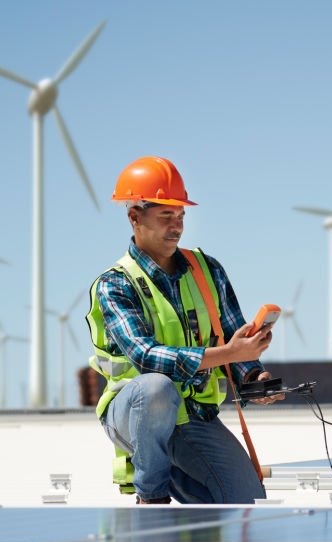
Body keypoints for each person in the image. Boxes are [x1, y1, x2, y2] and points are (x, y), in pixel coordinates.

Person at [86, 156, 283, 505]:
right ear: (134, 216)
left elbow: (231, 337)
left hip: (193, 416)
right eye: (166, 217)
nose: (176, 226)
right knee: (157, 388)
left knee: (247, 505)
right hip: (133, 413)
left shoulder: (207, 270)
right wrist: (230, 353)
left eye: (180, 217)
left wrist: (251, 374)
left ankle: (177, 475)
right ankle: (152, 497)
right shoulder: (115, 284)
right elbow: (147, 358)